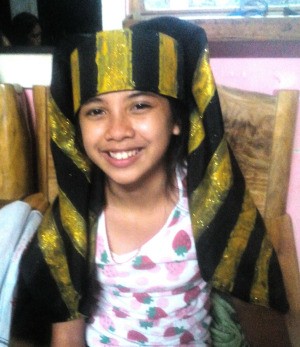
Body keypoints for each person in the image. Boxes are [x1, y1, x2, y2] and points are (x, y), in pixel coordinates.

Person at [10, 17, 289, 346]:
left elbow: (259, 309)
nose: (118, 131)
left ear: (176, 120)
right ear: (77, 127)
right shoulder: (76, 214)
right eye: (96, 112)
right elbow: (67, 331)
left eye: (140, 105)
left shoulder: (211, 204)